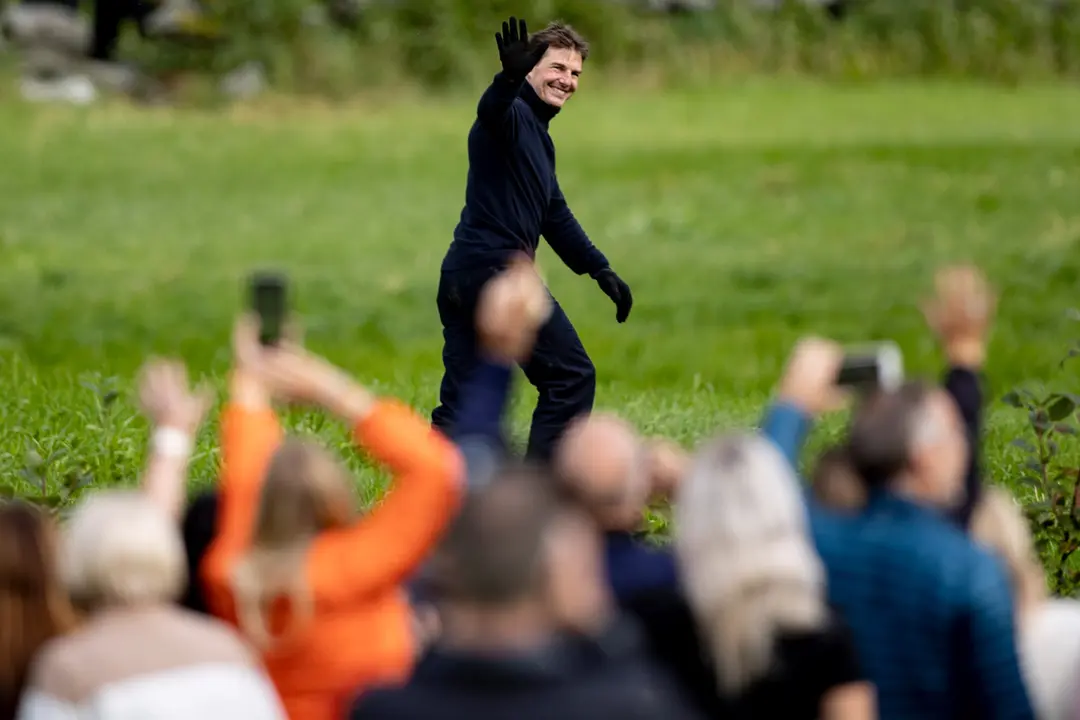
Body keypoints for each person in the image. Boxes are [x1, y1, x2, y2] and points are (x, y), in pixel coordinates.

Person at [200, 314, 464, 720]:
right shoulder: (359, 566)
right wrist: (329, 387)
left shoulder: (232, 571)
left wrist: (249, 384)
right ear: (336, 495)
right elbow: (436, 471)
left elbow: (247, 482)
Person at [431, 15, 633, 463]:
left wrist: (599, 269)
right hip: (495, 276)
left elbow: (553, 213)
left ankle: (432, 500)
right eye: (557, 68)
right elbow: (491, 111)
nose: (567, 81)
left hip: (463, 273)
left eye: (575, 73)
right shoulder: (509, 116)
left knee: (461, 404)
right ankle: (542, 495)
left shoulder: (538, 136)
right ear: (530, 68)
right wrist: (505, 78)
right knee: (570, 377)